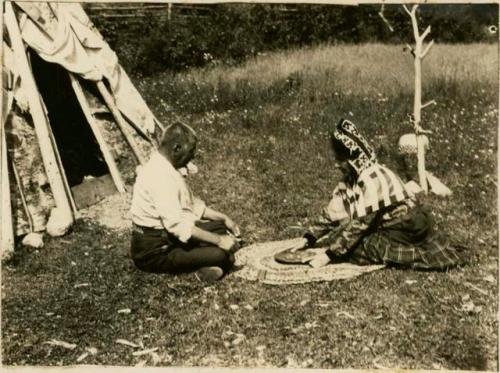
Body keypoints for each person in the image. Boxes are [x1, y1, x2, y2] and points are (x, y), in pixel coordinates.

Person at [295, 118, 464, 270]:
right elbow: (333, 212)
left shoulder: (373, 178)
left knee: (360, 248)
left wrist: (330, 255)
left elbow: (361, 224)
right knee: (348, 241)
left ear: (353, 160)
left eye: (341, 160)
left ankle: (421, 254)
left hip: (409, 224)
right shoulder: (352, 179)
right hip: (397, 224)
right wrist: (308, 238)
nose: (336, 165)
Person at [130, 121, 241, 282]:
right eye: (191, 151)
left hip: (168, 237)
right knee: (221, 254)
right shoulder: (159, 176)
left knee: (220, 227)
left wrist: (224, 218)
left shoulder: (166, 167)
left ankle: (203, 262)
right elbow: (178, 226)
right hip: (156, 250)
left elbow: (191, 205)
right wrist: (219, 240)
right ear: (176, 149)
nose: (193, 156)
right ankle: (200, 270)